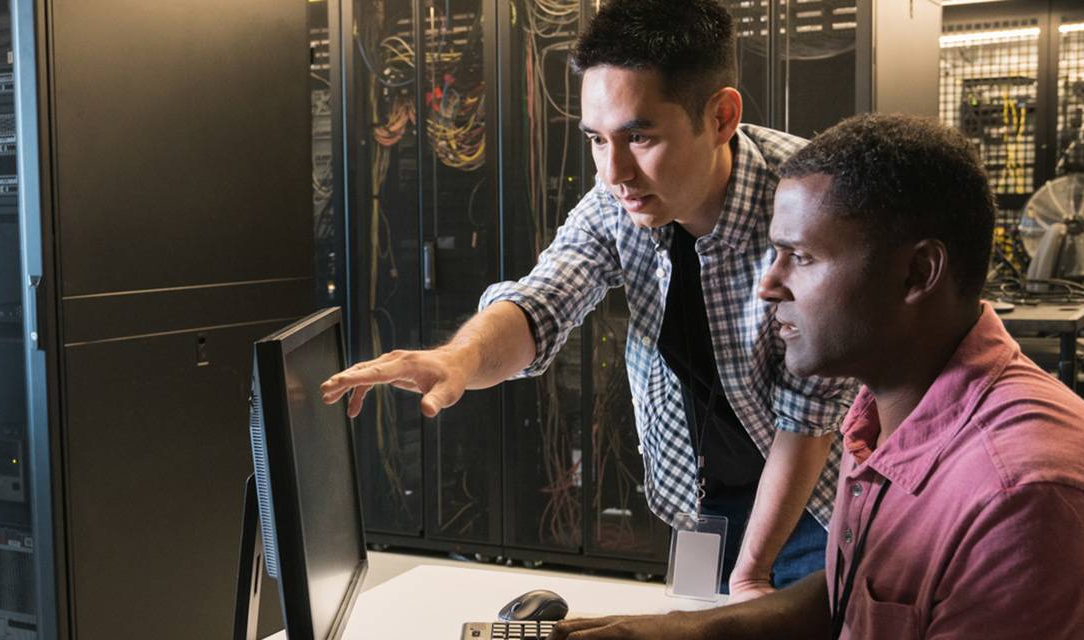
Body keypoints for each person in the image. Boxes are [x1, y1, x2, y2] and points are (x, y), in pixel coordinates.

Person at [549, 114, 1084, 639]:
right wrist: (683, 632)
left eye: (804, 257)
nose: (770, 284)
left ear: (918, 273)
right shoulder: (888, 406)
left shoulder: (1024, 498)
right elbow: (860, 587)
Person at [318, 0, 853, 600]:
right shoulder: (618, 201)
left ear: (722, 116)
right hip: (700, 501)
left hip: (816, 502)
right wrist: (459, 360)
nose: (614, 172)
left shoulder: (809, 205)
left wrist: (751, 571)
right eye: (596, 140)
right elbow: (544, 299)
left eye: (640, 136)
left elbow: (808, 415)